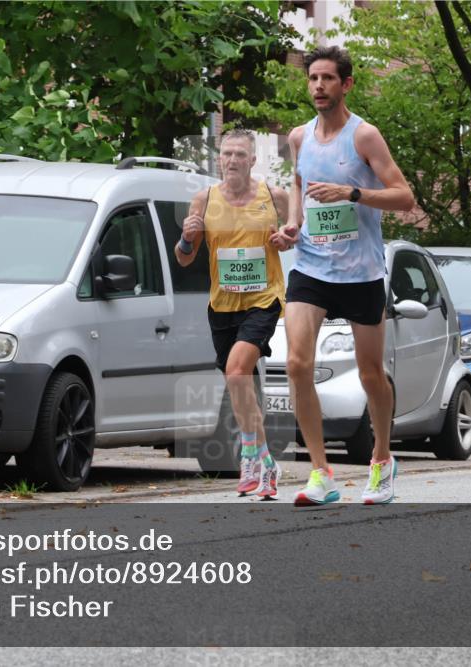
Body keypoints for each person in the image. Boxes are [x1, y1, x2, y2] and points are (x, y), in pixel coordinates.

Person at [271, 46, 415, 506]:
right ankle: (320, 474)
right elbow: (298, 182)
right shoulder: (298, 137)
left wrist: (353, 192)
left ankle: (382, 458)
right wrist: (293, 223)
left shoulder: (364, 137)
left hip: (361, 272)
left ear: (346, 84)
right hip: (312, 266)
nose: (318, 86)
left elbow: (404, 197)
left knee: (372, 373)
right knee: (296, 363)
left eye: (328, 78)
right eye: (313, 78)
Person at [175, 129, 290, 499]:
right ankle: (265, 460)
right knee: (237, 381)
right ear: (219, 158)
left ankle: (250, 456)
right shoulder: (203, 199)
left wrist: (285, 238)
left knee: (238, 370)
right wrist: (187, 238)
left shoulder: (275, 197)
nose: (233, 160)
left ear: (253, 160)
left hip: (263, 298)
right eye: (227, 154)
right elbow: (184, 258)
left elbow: (293, 238)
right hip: (221, 304)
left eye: (240, 154)